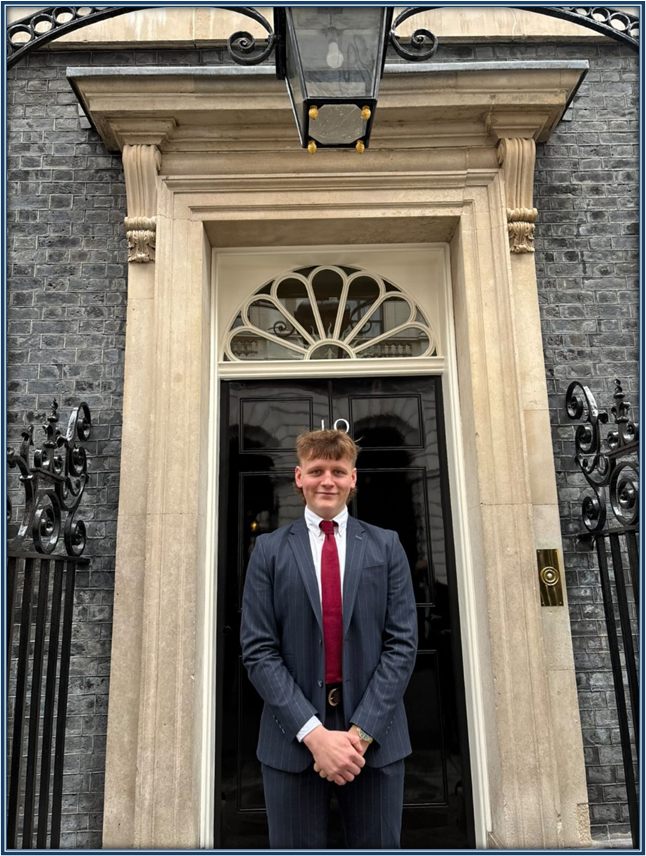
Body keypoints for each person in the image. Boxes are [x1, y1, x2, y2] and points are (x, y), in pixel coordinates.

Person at [240, 428, 418, 849]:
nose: (328, 481)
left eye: (338, 471)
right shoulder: (268, 551)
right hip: (293, 740)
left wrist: (360, 734)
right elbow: (258, 650)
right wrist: (314, 735)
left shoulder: (386, 545)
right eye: (317, 470)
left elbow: (402, 643)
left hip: (375, 740)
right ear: (298, 477)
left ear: (353, 479)